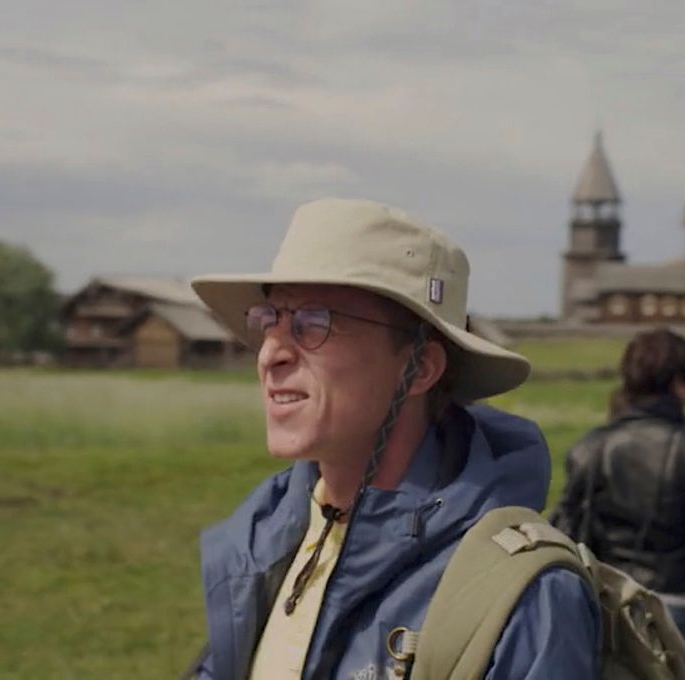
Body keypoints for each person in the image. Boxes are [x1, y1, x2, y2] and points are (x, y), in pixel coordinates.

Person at [187, 198, 601, 678]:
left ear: (419, 366)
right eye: (268, 320)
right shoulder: (266, 542)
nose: (270, 354)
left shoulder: (524, 601)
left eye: (314, 323)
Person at [550, 328, 685, 664]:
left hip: (604, 603)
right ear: (678, 383)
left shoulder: (588, 449)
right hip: (673, 607)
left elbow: (566, 531)